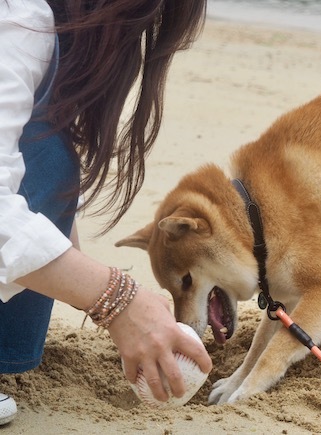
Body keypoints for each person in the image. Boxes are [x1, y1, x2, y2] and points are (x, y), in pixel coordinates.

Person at [0, 0, 211, 425]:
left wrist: (87, 287)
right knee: (49, 154)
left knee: (49, 155)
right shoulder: (20, 19)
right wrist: (116, 299)